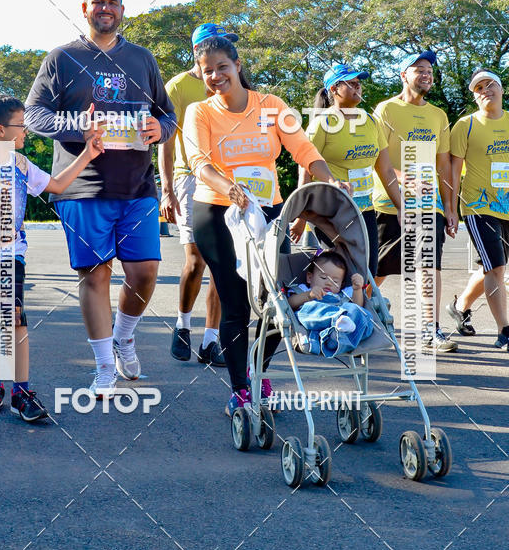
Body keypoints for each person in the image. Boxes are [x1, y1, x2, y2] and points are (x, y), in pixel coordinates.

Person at [25, 0, 177, 396]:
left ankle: (124, 336)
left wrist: (158, 129)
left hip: (137, 186)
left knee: (144, 272)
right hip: (83, 185)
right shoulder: (61, 58)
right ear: (84, 8)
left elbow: (167, 116)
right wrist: (79, 125)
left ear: (122, 10)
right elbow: (34, 114)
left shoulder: (142, 58)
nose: (105, 8)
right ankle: (104, 366)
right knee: (95, 275)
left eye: (112, 2)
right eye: (98, 1)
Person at [183, 35, 349, 417]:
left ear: (238, 66)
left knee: (277, 302)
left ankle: (257, 374)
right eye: (207, 71)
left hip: (270, 214)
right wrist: (229, 188)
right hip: (219, 213)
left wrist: (329, 179)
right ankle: (241, 391)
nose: (215, 76)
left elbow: (305, 150)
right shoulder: (199, 112)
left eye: (222, 67)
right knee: (237, 303)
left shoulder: (271, 106)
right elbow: (198, 161)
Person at [0, 94, 104, 419]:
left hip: (12, 257)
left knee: (16, 322)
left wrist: (88, 154)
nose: (26, 131)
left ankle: (21, 392)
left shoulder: (20, 164)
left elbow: (57, 185)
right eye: (21, 125)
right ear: (1, 130)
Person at [372, 50, 458, 351]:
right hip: (389, 203)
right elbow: (378, 159)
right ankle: (360, 312)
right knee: (378, 270)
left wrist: (450, 207)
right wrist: (402, 177)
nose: (426, 74)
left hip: (428, 204)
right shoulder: (385, 110)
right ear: (403, 75)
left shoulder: (439, 115)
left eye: (430, 70)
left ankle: (431, 330)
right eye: (419, 69)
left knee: (428, 263)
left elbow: (443, 165)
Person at [159, 24, 232, 366]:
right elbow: (165, 142)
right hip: (190, 179)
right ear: (197, 51)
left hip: (228, 181)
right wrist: (167, 190)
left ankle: (211, 340)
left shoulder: (231, 84)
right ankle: (183, 324)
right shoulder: (178, 86)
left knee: (222, 264)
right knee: (196, 261)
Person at [293, 62, 402, 275]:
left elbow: (386, 170)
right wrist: (300, 216)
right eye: (351, 83)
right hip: (330, 211)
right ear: (334, 89)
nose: (358, 87)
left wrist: (401, 207)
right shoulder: (321, 123)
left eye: (358, 83)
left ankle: (361, 300)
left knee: (368, 270)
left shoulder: (371, 122)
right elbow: (305, 170)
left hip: (364, 210)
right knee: (341, 271)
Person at [449, 69, 509, 349]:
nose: (486, 90)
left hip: (506, 205)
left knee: (491, 266)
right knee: (496, 267)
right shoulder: (466, 125)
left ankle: (460, 306)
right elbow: (453, 171)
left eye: (490, 84)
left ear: (501, 89)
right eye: (479, 88)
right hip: (478, 206)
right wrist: (450, 208)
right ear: (475, 97)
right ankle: (504, 331)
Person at [287, 250, 374, 356]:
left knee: (359, 311)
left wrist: (357, 289)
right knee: (309, 307)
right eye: (323, 277)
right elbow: (290, 303)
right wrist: (308, 295)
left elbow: (358, 306)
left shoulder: (343, 294)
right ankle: (338, 319)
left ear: (341, 284)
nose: (328, 283)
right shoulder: (304, 289)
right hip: (314, 318)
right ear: (310, 277)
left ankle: (335, 336)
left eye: (335, 281)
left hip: (338, 328)